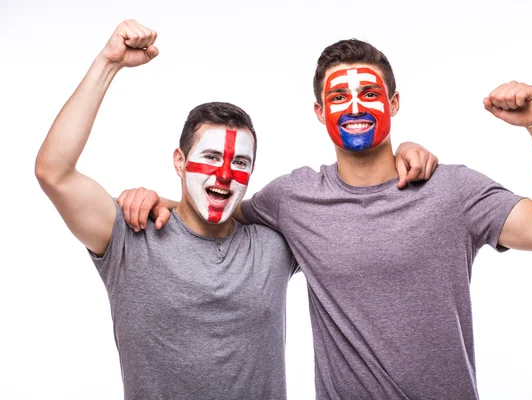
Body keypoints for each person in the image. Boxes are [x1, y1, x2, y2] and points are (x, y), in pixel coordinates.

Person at [130, 38, 532, 399]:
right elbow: (220, 220)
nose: (354, 108)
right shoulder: (293, 198)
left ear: (393, 103)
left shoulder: (453, 190)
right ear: (319, 112)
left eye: (369, 93)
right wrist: (155, 199)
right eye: (339, 97)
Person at [35, 21, 438, 399]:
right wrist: (108, 63)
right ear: (179, 160)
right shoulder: (129, 236)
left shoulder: (275, 244)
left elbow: (353, 213)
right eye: (211, 157)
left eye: (240, 163)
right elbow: (54, 172)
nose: (225, 175)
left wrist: (401, 153)